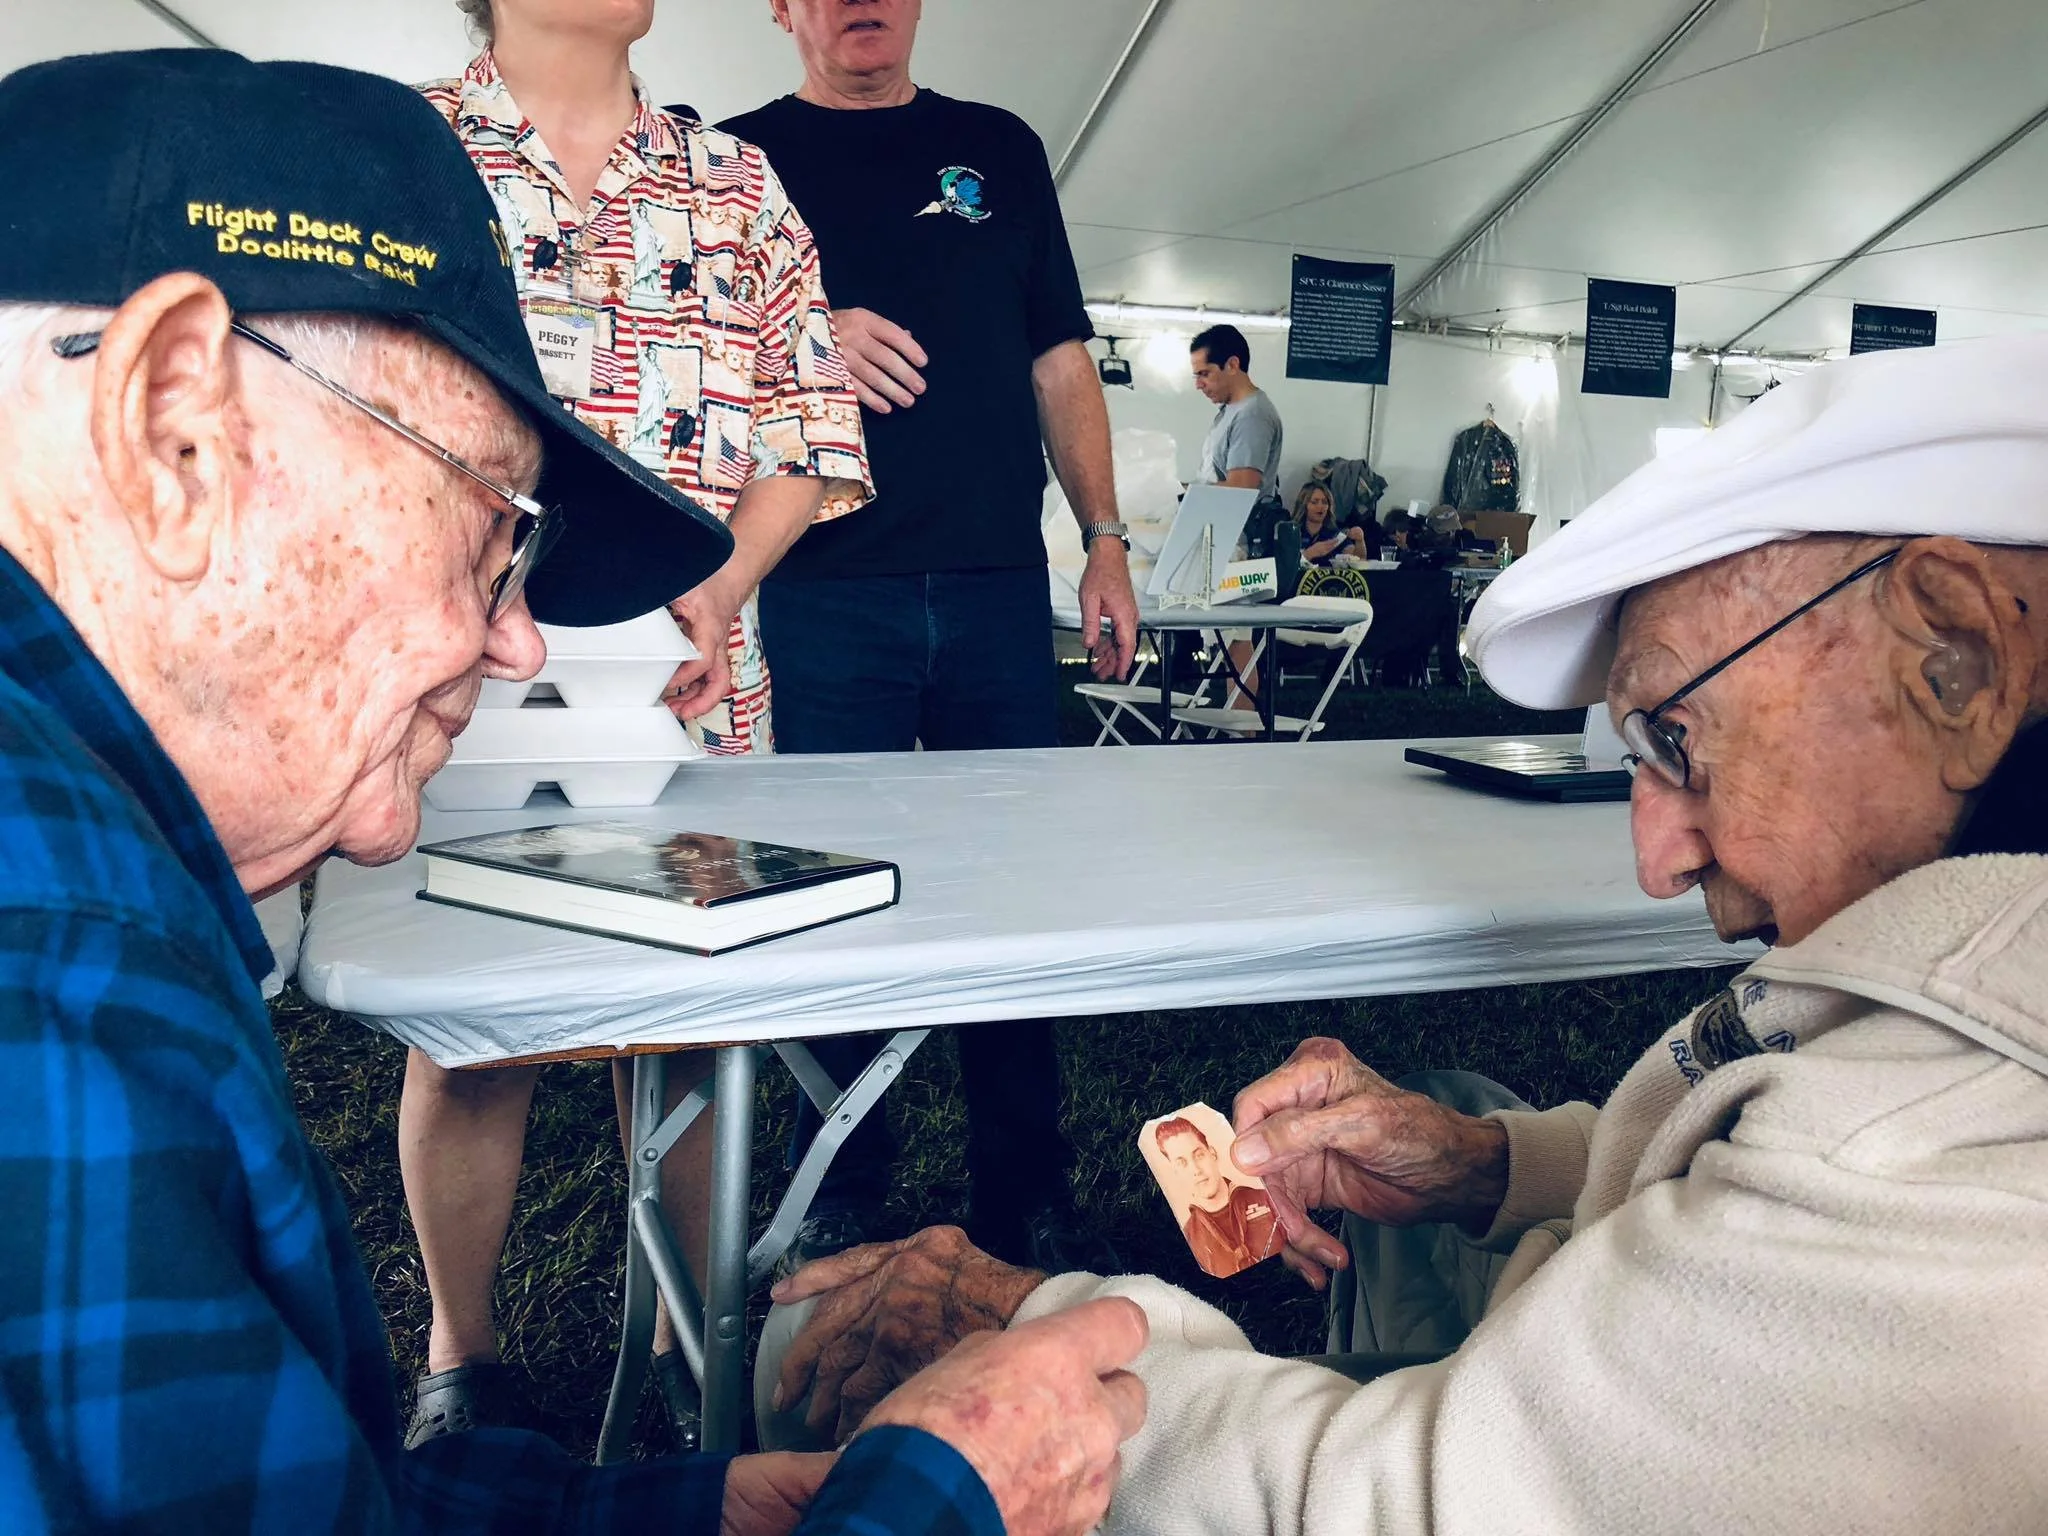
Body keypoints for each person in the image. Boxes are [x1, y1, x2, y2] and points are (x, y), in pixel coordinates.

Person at [0, 47, 1147, 1536]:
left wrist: (700, 1509)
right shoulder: (57, 967)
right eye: (488, 526)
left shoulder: (98, 875)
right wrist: (929, 1501)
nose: (523, 639)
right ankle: (473, 1354)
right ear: (175, 428)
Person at [747, 334, 2048, 1532]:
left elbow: (1402, 1506)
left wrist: (1025, 1324)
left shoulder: (1911, 1157)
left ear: (1962, 653)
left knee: (829, 1374)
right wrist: (1485, 1162)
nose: (1659, 861)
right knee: (1446, 1101)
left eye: (1678, 740)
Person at [402, 0, 872, 1447]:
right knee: (469, 1026)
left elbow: (810, 420)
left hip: (686, 672)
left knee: (691, 1015)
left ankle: (687, 1349)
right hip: (462, 667)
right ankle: (462, 1362)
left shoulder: (735, 183)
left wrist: (725, 583)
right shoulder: (408, 150)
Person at [719, 0, 1140, 1275]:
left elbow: (1058, 360)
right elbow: (688, 362)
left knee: (1013, 885)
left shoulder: (998, 148)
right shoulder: (731, 163)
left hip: (997, 586)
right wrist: (803, 337)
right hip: (819, 589)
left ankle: (1023, 1179)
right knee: (825, 887)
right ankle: (841, 1177)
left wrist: (1106, 537)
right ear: (781, 8)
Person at [1151, 1118, 1278, 1280]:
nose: (1196, 1170)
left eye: (1199, 1155)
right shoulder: (1188, 1238)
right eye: (1182, 1163)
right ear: (1175, 1171)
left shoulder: (1266, 1198)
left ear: (1212, 1153)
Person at [1293, 484, 1365, 569]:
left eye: (1324, 502)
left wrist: (1360, 541)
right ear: (1304, 505)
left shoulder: (1335, 534)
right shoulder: (1291, 532)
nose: (1320, 506)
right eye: (1314, 502)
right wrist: (1310, 553)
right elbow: (1283, 566)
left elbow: (1358, 561)